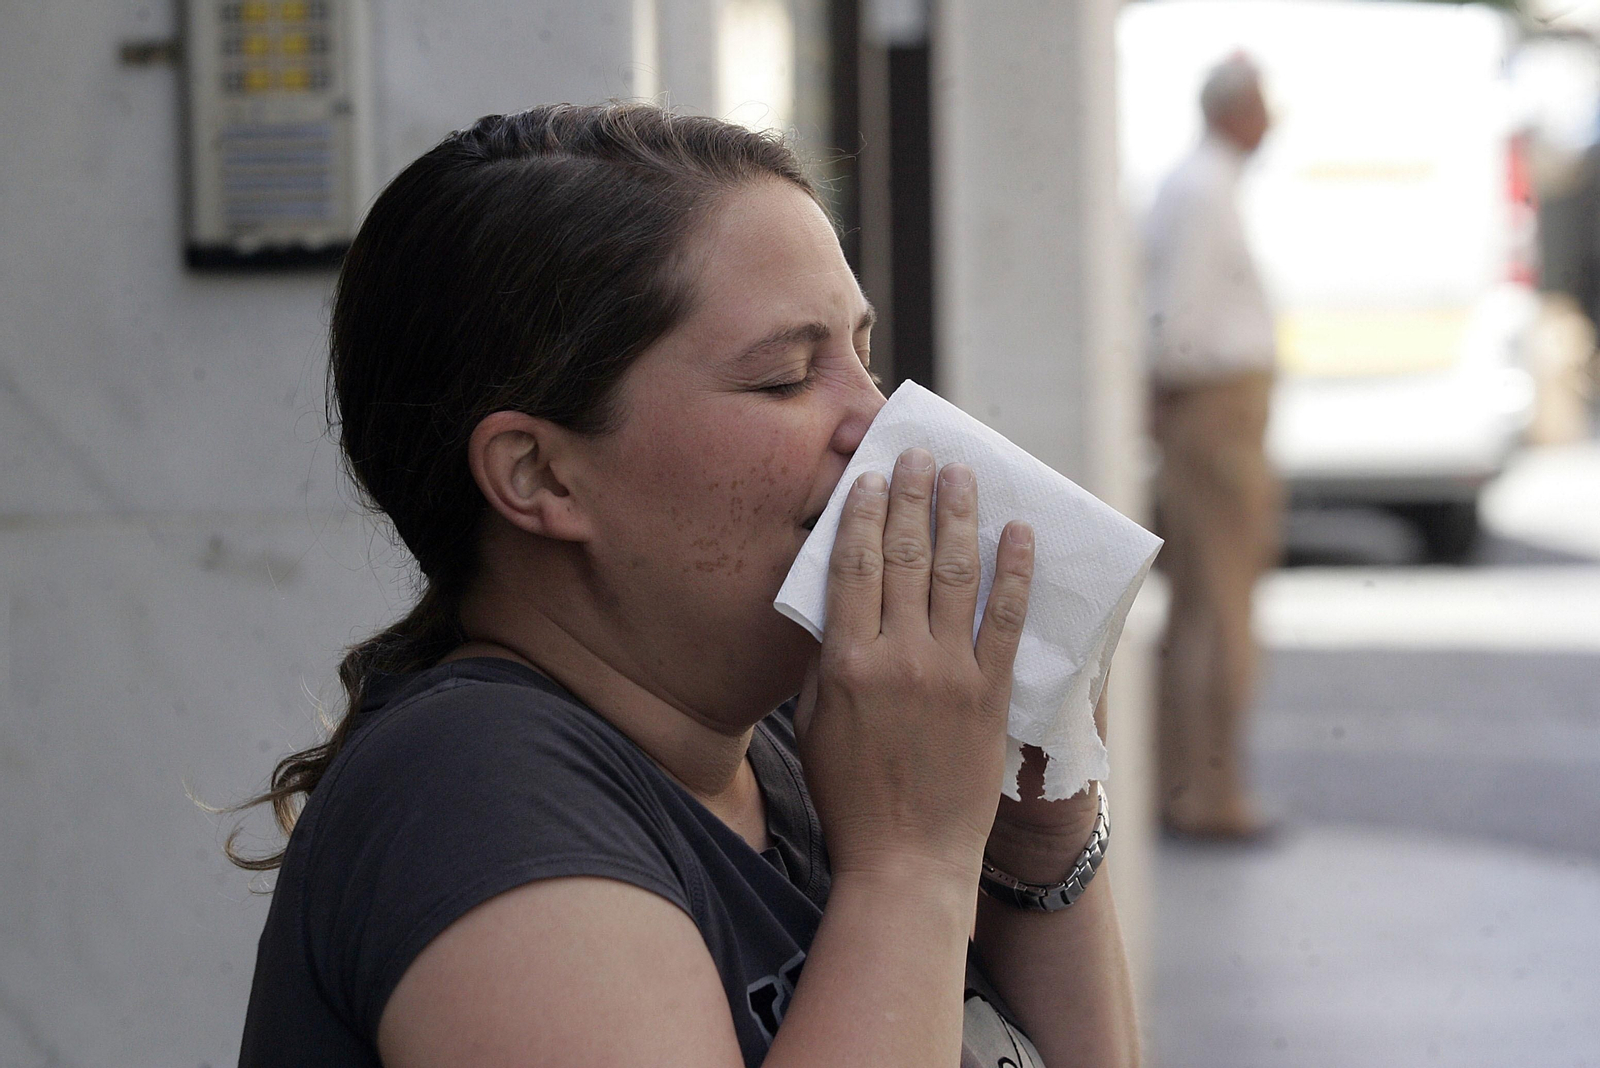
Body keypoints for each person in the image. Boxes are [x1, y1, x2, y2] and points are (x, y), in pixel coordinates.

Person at [232, 103, 1139, 1067]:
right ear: (539, 475)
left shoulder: (809, 736)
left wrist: (1035, 855)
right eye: (788, 378)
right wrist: (912, 865)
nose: (876, 423)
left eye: (863, 361)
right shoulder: (475, 791)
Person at [1143, 56, 1281, 840]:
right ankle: (1210, 793)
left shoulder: (1204, 184)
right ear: (1232, 111)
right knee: (1223, 605)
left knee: (1206, 602)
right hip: (1215, 409)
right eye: (1261, 105)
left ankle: (1192, 785)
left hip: (1216, 406)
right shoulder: (1201, 188)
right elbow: (1183, 319)